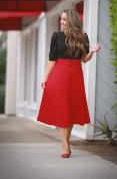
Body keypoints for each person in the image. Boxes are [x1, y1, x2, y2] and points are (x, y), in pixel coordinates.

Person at [37, 9, 101, 158]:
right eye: (61, 19)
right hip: (59, 74)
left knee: (70, 110)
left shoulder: (82, 37)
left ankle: (65, 144)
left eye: (65, 20)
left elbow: (84, 59)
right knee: (61, 109)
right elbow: (52, 58)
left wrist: (92, 51)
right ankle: (65, 145)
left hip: (75, 76)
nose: (61, 22)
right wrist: (45, 77)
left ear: (72, 21)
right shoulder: (56, 36)